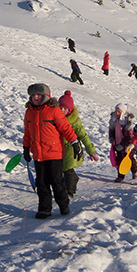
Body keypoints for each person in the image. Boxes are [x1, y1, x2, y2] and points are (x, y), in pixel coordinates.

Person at [23, 83, 82, 219]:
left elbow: (66, 128)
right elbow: (27, 132)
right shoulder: (29, 112)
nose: (36, 97)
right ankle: (45, 209)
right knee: (41, 182)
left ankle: (63, 205)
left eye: (39, 95)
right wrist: (26, 148)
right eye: (33, 95)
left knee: (56, 181)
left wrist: (74, 143)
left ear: (46, 96)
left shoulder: (53, 110)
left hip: (54, 153)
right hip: (38, 154)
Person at [58, 90, 98, 198]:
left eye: (65, 109)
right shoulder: (55, 119)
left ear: (70, 110)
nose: (62, 111)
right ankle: (69, 183)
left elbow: (83, 136)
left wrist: (91, 151)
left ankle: (70, 191)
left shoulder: (75, 122)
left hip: (72, 149)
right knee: (61, 169)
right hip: (59, 148)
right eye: (60, 108)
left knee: (68, 168)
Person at [109, 103, 137, 182]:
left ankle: (134, 171)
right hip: (117, 143)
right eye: (116, 111)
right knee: (119, 160)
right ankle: (121, 176)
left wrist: (122, 144)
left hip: (127, 145)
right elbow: (111, 130)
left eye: (119, 111)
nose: (117, 113)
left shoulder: (127, 122)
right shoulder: (113, 120)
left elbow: (129, 135)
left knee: (129, 158)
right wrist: (111, 138)